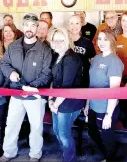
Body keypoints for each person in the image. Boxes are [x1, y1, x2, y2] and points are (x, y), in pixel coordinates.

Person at [0, 13, 52, 162]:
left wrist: (32, 87)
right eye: (27, 25)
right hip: (16, 94)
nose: (29, 28)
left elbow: (47, 74)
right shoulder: (13, 46)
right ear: (23, 26)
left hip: (35, 96)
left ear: (37, 28)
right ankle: (9, 152)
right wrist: (11, 73)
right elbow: (4, 64)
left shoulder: (44, 50)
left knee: (36, 128)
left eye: (33, 25)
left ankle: (35, 154)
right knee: (11, 126)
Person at [84, 29, 123, 161]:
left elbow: (114, 91)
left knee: (107, 136)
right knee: (92, 132)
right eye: (99, 39)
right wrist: (87, 104)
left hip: (106, 108)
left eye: (105, 39)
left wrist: (109, 115)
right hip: (94, 105)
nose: (101, 42)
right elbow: (92, 83)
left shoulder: (114, 61)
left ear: (112, 41)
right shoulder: (96, 58)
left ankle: (110, 158)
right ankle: (108, 153)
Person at [48, 28, 84, 162]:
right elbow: (54, 80)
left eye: (61, 40)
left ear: (67, 41)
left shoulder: (71, 59)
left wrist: (55, 104)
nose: (58, 43)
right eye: (55, 40)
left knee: (63, 134)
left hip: (69, 103)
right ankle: (68, 154)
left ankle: (70, 159)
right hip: (57, 101)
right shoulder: (58, 56)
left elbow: (66, 86)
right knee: (57, 131)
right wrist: (51, 100)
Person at [68, 15, 96, 88]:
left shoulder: (87, 42)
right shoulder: (64, 42)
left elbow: (93, 62)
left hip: (83, 80)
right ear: (68, 25)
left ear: (81, 25)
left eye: (77, 23)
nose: (74, 26)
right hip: (67, 80)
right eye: (72, 23)